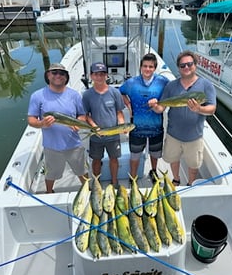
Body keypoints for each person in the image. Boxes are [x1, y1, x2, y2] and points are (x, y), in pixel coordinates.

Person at [148, 50, 216, 186]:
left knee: (193, 164)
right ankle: (176, 179)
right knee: (174, 159)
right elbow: (161, 107)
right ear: (178, 68)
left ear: (195, 65)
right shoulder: (171, 86)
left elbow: (212, 109)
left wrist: (199, 109)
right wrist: (155, 106)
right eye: (182, 65)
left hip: (194, 135)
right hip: (174, 134)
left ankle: (191, 183)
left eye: (189, 64)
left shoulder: (206, 85)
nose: (186, 67)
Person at [27, 63, 88, 193]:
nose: (58, 76)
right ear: (48, 75)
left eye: (62, 73)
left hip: (74, 143)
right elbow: (31, 119)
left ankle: (87, 190)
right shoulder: (37, 96)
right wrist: (42, 124)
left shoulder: (74, 95)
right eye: (54, 72)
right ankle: (49, 191)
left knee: (82, 170)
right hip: (51, 146)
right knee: (51, 174)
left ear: (66, 77)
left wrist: (78, 123)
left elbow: (82, 115)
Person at [119, 53, 169, 183]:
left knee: (155, 153)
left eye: (151, 67)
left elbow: (171, 93)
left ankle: (153, 171)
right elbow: (120, 92)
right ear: (141, 67)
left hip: (156, 126)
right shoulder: (131, 83)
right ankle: (133, 176)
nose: (147, 69)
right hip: (137, 127)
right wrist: (129, 106)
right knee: (135, 155)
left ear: (155, 68)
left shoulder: (163, 82)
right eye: (145, 66)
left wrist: (161, 104)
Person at [82, 62, 125, 188]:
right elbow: (86, 115)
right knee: (96, 160)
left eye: (102, 74)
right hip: (96, 135)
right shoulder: (87, 95)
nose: (99, 77)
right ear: (91, 76)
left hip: (113, 135)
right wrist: (94, 126)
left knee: (114, 159)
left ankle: (114, 181)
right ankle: (96, 183)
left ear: (106, 75)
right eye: (96, 74)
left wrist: (122, 124)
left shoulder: (115, 92)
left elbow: (119, 112)